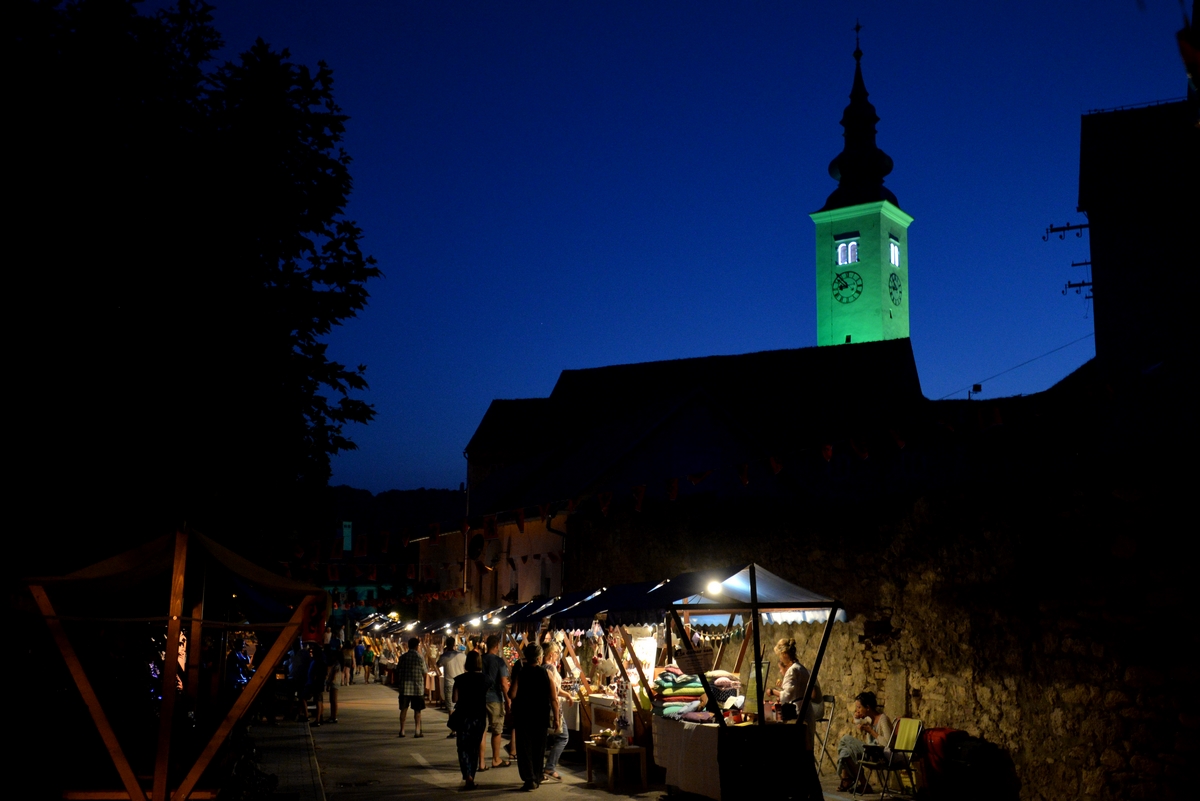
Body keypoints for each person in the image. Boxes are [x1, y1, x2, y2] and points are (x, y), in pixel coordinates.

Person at [509, 643, 558, 791]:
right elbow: (554, 698)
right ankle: (536, 777)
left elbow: (512, 694)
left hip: (523, 715)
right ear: (539, 657)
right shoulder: (546, 674)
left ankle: (529, 778)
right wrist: (556, 718)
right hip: (540, 715)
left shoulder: (521, 673)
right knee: (538, 748)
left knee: (524, 748)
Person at [767, 637, 818, 750]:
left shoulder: (792, 670)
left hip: (800, 712)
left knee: (801, 748)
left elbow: (787, 695)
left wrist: (776, 692)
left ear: (784, 654)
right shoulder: (802, 668)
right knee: (808, 749)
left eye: (780, 655)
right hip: (807, 711)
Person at [837, 691, 892, 793]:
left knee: (845, 739)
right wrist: (856, 717)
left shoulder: (882, 719)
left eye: (859, 707)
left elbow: (887, 743)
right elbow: (856, 722)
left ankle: (847, 779)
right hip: (870, 752)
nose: (857, 710)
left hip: (880, 754)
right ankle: (863, 784)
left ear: (867, 707)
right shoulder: (868, 719)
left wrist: (871, 731)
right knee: (845, 751)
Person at [452, 650, 490, 790]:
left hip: (463, 717)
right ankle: (471, 777)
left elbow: (454, 699)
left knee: (463, 748)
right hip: (479, 717)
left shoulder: (459, 679)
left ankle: (467, 774)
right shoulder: (486, 679)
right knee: (474, 748)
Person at [480, 634, 512, 770]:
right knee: (496, 730)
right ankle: (496, 759)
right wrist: (508, 700)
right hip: (495, 699)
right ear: (496, 645)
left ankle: (481, 762)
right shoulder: (499, 662)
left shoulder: (479, 660)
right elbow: (504, 683)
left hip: (480, 698)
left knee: (481, 731)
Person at [541, 642, 573, 782]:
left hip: (547, 707)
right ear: (551, 654)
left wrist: (567, 695)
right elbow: (553, 691)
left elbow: (555, 688)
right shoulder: (550, 668)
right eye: (557, 653)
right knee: (563, 737)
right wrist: (556, 714)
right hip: (554, 708)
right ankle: (550, 766)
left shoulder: (543, 668)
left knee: (548, 738)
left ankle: (545, 767)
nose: (558, 656)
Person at [396, 637, 427, 737]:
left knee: (403, 709)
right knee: (417, 710)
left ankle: (402, 730)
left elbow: (398, 670)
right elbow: (424, 672)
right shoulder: (420, 658)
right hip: (417, 688)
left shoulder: (403, 657)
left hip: (405, 687)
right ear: (416, 646)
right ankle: (417, 730)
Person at [438, 636, 467, 738]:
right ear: (454, 644)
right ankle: (461, 727)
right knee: (462, 706)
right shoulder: (462, 656)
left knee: (451, 707)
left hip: (450, 683)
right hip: (462, 683)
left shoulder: (445, 656)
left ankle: (453, 730)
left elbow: (438, 664)